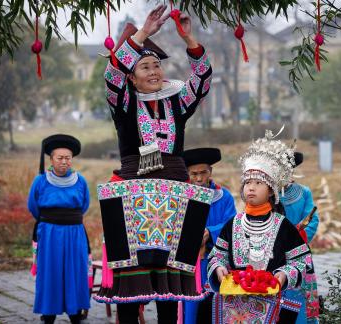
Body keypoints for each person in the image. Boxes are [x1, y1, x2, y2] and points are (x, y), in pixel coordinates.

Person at [96, 4, 212, 323]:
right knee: (132, 278)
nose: (154, 72)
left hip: (173, 193)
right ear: (132, 78)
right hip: (134, 195)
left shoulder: (177, 102)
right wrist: (144, 33)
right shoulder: (123, 102)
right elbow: (112, 73)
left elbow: (202, 79)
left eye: (156, 66)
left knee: (168, 278)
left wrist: (188, 38)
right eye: (145, 67)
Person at [207, 130, 313, 323]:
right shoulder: (233, 224)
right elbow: (217, 255)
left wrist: (283, 275)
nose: (251, 187)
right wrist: (219, 268)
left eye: (258, 182)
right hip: (233, 307)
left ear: (272, 191)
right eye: (247, 182)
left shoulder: (282, 226)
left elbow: (302, 261)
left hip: (272, 306)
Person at [28, 134, 90, 324]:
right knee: (50, 272)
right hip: (49, 232)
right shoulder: (40, 181)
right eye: (60, 158)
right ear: (51, 159)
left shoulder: (81, 181)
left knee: (75, 271)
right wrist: (52, 220)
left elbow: (85, 206)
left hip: (74, 233)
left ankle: (75, 312)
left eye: (68, 158)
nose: (64, 162)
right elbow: (33, 206)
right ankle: (48, 313)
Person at [182, 147, 237, 323]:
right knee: (190, 308)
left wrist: (210, 231)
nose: (198, 178)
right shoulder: (182, 197)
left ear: (210, 171)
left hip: (216, 261)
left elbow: (232, 225)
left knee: (214, 306)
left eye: (203, 172)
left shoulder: (224, 197)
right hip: (190, 263)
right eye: (194, 173)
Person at [280, 151, 320, 323]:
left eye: (287, 169)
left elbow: (312, 220)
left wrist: (297, 240)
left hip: (300, 252)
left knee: (300, 297)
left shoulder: (304, 192)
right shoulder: (268, 195)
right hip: (275, 253)